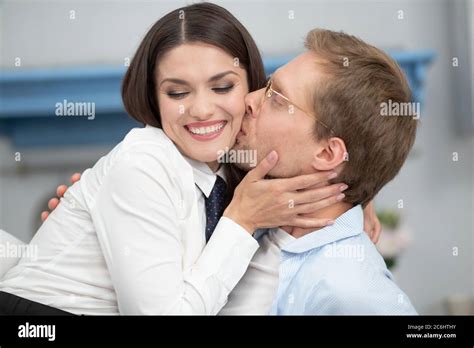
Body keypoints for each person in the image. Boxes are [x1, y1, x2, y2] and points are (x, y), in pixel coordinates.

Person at [0, 3, 351, 316]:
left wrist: (355, 199)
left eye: (222, 87)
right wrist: (241, 220)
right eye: (177, 92)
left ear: (250, 88)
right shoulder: (144, 162)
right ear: (154, 97)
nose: (200, 110)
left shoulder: (239, 166)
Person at [224, 29, 418, 314]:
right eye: (266, 85)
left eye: (276, 98)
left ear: (328, 153)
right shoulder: (257, 217)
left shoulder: (350, 292)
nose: (250, 100)